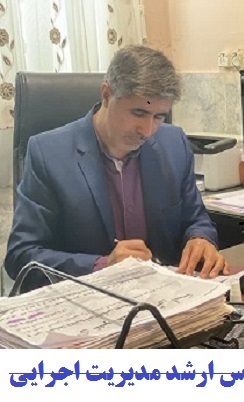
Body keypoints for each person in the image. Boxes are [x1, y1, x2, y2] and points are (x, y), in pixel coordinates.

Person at [5, 45, 230, 292]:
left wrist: (200, 238)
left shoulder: (174, 144)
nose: (147, 131)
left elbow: (195, 218)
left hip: (165, 296)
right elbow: (21, 256)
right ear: (106, 95)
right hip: (87, 301)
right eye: (138, 112)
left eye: (159, 116)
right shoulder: (48, 153)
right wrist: (102, 265)